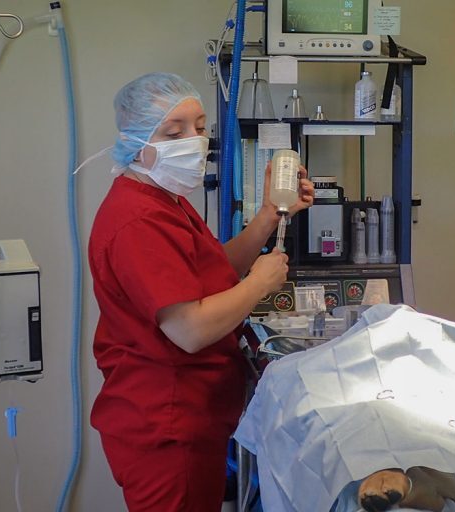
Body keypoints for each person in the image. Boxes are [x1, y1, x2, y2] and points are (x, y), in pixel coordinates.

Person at [87, 72, 314, 510]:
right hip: (166, 424)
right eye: (175, 132)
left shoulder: (163, 199)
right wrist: (258, 285)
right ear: (137, 142)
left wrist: (269, 214)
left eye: (200, 126)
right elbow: (189, 328)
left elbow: (212, 272)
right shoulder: (137, 221)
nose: (194, 140)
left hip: (192, 413)